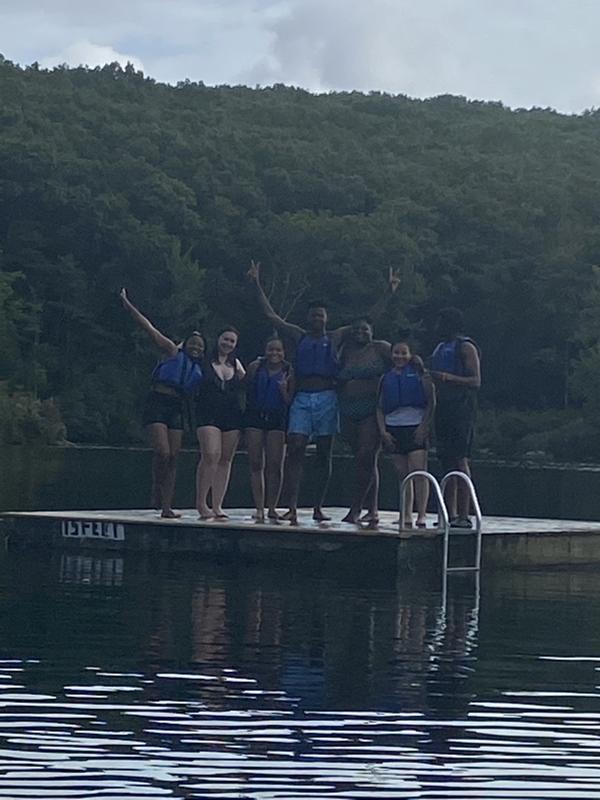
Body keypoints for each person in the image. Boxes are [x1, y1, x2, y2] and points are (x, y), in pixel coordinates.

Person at [248, 260, 400, 525]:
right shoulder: (298, 335)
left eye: (321, 315)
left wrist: (389, 291)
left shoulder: (337, 336)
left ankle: (317, 507)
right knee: (295, 447)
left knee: (324, 452)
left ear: (326, 318)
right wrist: (256, 284)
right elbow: (272, 317)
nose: (317, 318)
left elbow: (367, 321)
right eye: (314, 315)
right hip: (302, 398)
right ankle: (292, 507)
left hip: (328, 397)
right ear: (308, 318)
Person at [119, 288, 204, 519]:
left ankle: (166, 505)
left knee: (175, 456)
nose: (196, 348)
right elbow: (149, 328)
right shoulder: (171, 351)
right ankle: (155, 488)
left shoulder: (198, 369)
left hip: (177, 407)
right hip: (158, 402)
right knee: (163, 453)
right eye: (193, 344)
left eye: (200, 347)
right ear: (185, 343)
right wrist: (129, 306)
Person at [429, 307, 481, 529]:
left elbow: (476, 381)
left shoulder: (465, 347)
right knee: (445, 461)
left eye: (440, 322)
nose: (437, 327)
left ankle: (464, 514)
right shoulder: (440, 348)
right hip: (442, 408)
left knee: (460, 460)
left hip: (461, 408)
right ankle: (447, 513)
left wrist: (447, 377)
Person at [337, 318, 391, 525]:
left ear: (372, 331)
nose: (360, 332)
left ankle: (356, 508)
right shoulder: (346, 351)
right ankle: (373, 509)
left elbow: (402, 360)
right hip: (349, 408)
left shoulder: (381, 348)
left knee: (366, 456)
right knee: (365, 462)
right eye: (356, 329)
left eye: (365, 329)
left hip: (372, 409)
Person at [377, 339, 435, 528]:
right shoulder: (386, 377)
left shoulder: (420, 375)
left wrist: (424, 427)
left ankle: (422, 514)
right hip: (394, 427)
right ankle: (406, 514)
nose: (399, 357)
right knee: (403, 474)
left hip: (415, 426)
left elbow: (430, 402)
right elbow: (379, 407)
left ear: (410, 355)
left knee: (418, 472)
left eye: (403, 353)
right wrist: (383, 432)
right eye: (396, 353)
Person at [195, 328, 246, 520]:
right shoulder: (204, 360)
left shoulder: (236, 364)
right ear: (218, 339)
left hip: (231, 415)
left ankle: (217, 505)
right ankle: (201, 503)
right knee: (210, 455)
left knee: (225, 459)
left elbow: (248, 382)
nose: (228, 344)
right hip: (207, 413)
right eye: (225, 339)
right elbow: (182, 351)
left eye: (232, 341)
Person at [244, 337, 294, 522]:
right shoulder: (255, 367)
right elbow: (245, 390)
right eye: (271, 350)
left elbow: (290, 401)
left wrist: (283, 390)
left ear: (284, 353)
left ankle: (272, 507)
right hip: (255, 416)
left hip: (277, 418)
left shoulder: (289, 371)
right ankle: (259, 507)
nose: (274, 353)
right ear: (265, 351)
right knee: (256, 463)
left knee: (275, 465)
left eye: (278, 350)